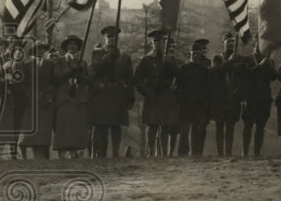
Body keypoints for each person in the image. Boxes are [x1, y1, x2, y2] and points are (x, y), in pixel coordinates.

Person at [89, 25, 134, 158]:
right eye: (109, 37)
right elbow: (94, 70)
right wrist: (108, 56)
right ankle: (100, 155)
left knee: (116, 126)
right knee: (101, 126)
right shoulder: (97, 53)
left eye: (114, 37)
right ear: (104, 38)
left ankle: (115, 153)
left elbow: (129, 77)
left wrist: (130, 97)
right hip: (102, 94)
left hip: (118, 94)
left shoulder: (124, 56)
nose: (111, 39)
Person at [134, 29, 181, 157]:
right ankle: (151, 151)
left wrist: (170, 65)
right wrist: (147, 92)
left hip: (166, 96)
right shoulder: (147, 59)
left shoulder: (169, 59)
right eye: (155, 41)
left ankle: (164, 152)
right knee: (152, 125)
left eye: (161, 41)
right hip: (153, 95)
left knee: (165, 125)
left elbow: (179, 75)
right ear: (151, 43)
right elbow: (137, 79)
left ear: (164, 43)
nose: (158, 43)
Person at [210, 32, 250, 156]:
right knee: (219, 126)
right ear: (223, 43)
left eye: (233, 42)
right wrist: (230, 61)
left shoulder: (239, 58)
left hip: (234, 99)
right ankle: (220, 153)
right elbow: (217, 71)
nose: (231, 44)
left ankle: (228, 152)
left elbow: (244, 80)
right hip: (220, 99)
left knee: (230, 127)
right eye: (229, 42)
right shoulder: (217, 58)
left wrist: (243, 97)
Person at [52, 34, 90, 158]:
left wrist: (81, 77)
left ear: (78, 47)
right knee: (63, 124)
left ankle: (74, 151)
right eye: (70, 44)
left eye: (75, 44)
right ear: (66, 46)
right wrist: (72, 71)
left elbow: (88, 79)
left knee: (76, 125)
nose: (72, 46)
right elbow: (57, 76)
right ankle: (62, 151)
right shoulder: (60, 60)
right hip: (64, 97)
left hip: (78, 97)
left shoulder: (83, 62)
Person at [18, 42, 56, 159]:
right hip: (31, 100)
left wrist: (49, 96)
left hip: (45, 100)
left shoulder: (51, 64)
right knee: (28, 126)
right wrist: (28, 95)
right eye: (37, 49)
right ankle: (23, 154)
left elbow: (54, 82)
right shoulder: (27, 65)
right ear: (33, 51)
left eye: (43, 49)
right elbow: (22, 83)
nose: (40, 51)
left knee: (44, 127)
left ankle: (43, 155)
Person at [241, 43, 277, 157]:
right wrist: (260, 66)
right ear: (254, 46)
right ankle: (245, 153)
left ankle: (257, 153)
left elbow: (274, 77)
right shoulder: (247, 59)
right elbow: (247, 75)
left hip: (264, 99)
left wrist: (269, 65)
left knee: (260, 127)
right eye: (258, 45)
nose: (259, 48)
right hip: (251, 98)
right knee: (248, 126)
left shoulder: (268, 61)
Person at [177, 39, 211, 156]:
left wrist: (205, 104)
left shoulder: (204, 70)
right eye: (194, 53)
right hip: (186, 104)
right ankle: (182, 154)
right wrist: (182, 98)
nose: (196, 56)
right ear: (190, 54)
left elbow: (207, 88)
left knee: (197, 131)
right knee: (184, 131)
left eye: (198, 53)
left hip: (199, 105)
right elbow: (179, 86)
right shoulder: (183, 68)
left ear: (201, 54)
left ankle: (196, 154)